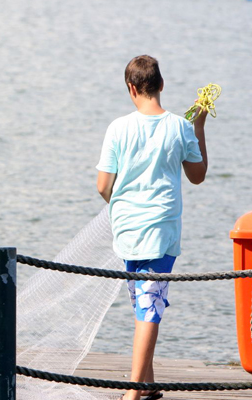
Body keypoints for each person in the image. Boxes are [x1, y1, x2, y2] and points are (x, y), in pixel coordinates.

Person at [95, 55, 208, 400]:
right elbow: (197, 175)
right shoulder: (180, 126)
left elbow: (102, 186)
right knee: (149, 305)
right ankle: (135, 392)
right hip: (161, 229)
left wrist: (123, 206)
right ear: (161, 84)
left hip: (126, 228)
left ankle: (145, 385)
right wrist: (199, 126)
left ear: (131, 88)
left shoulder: (117, 127)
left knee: (143, 301)